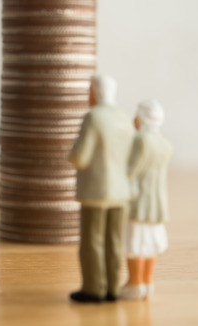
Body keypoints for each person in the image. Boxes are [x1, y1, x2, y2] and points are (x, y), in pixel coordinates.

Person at [67, 74, 134, 303]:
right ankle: (113, 287)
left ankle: (94, 288)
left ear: (95, 93)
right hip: (121, 189)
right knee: (114, 239)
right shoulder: (123, 117)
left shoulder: (94, 117)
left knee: (92, 239)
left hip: (97, 189)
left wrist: (70, 155)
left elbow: (81, 155)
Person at [121, 99, 173, 300]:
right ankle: (147, 282)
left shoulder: (140, 140)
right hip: (157, 203)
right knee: (151, 243)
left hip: (139, 201)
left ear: (141, 118)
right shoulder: (165, 144)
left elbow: (130, 170)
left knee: (135, 244)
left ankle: (135, 283)